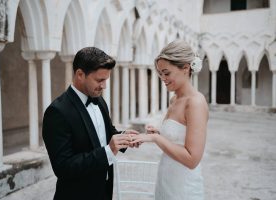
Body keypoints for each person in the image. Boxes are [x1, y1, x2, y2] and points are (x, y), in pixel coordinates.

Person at [42, 47, 138, 200]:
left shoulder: (100, 101)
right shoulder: (57, 112)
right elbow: (63, 168)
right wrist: (108, 151)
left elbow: (106, 133)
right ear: (80, 74)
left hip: (104, 192)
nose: (104, 86)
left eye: (106, 80)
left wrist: (125, 137)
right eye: (100, 80)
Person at [131, 40, 208, 200]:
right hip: (166, 179)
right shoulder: (174, 99)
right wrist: (158, 134)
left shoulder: (196, 102)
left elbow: (192, 159)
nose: (162, 78)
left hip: (184, 188)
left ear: (186, 68)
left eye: (166, 73)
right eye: (160, 73)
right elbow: (177, 141)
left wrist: (156, 138)